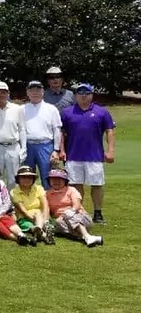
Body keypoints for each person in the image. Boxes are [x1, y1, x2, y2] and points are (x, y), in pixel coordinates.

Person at [60, 83, 115, 224]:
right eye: (80, 92)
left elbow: (110, 131)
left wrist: (110, 151)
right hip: (73, 155)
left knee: (97, 185)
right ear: (76, 95)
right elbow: (61, 133)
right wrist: (62, 150)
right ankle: (78, 211)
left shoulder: (102, 112)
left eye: (86, 92)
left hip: (94, 156)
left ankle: (97, 213)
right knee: (75, 185)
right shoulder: (67, 112)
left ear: (91, 94)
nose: (83, 95)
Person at [45, 169, 103, 247]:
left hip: (81, 218)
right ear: (49, 181)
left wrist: (66, 214)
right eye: (53, 179)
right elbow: (47, 210)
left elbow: (76, 205)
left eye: (59, 179)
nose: (56, 181)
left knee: (68, 213)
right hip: (63, 222)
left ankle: (86, 236)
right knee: (57, 222)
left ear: (65, 181)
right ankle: (87, 237)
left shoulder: (71, 190)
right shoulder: (47, 194)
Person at [23, 80, 62, 188]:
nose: (35, 93)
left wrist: (56, 150)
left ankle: (49, 202)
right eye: (32, 90)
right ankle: (30, 203)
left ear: (43, 92)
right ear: (27, 92)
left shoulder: (51, 109)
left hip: (45, 146)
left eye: (38, 90)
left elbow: (57, 130)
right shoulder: (21, 109)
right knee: (26, 176)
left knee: (47, 177)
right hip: (27, 146)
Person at [10, 166, 55, 245]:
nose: (27, 179)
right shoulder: (14, 191)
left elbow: (45, 204)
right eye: (24, 177)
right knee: (31, 225)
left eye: (30, 177)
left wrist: (45, 219)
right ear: (18, 179)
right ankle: (44, 235)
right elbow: (22, 210)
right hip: (24, 217)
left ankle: (40, 230)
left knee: (38, 214)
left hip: (41, 216)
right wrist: (35, 220)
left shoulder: (38, 188)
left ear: (33, 179)